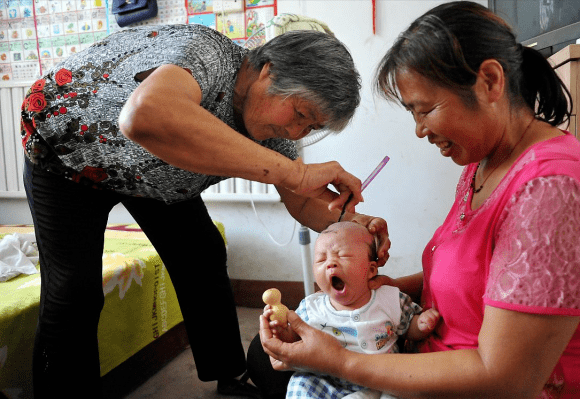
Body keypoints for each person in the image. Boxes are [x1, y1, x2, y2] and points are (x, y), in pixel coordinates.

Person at [258, 2, 580, 398]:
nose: (420, 130)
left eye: (425, 110)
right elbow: (483, 277)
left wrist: (338, 359)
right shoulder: (482, 166)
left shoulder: (553, 193)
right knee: (265, 356)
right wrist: (378, 291)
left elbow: (505, 379)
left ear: (490, 81)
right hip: (428, 355)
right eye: (413, 114)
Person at [19, 24, 391, 398]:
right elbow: (144, 114)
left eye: (310, 127)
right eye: (299, 113)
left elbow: (301, 201)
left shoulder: (275, 132)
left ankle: (229, 374)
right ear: (269, 70)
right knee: (73, 289)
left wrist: (352, 224)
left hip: (153, 176)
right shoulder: (206, 52)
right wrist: (296, 171)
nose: (296, 133)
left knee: (201, 253)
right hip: (67, 156)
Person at [258, 221, 439, 399]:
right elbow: (297, 341)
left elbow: (408, 327)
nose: (330, 263)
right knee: (301, 385)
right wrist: (283, 332)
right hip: (326, 379)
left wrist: (421, 325)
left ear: (371, 269)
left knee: (400, 392)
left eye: (343, 255)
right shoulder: (311, 307)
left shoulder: (389, 298)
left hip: (380, 377)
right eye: (321, 259)